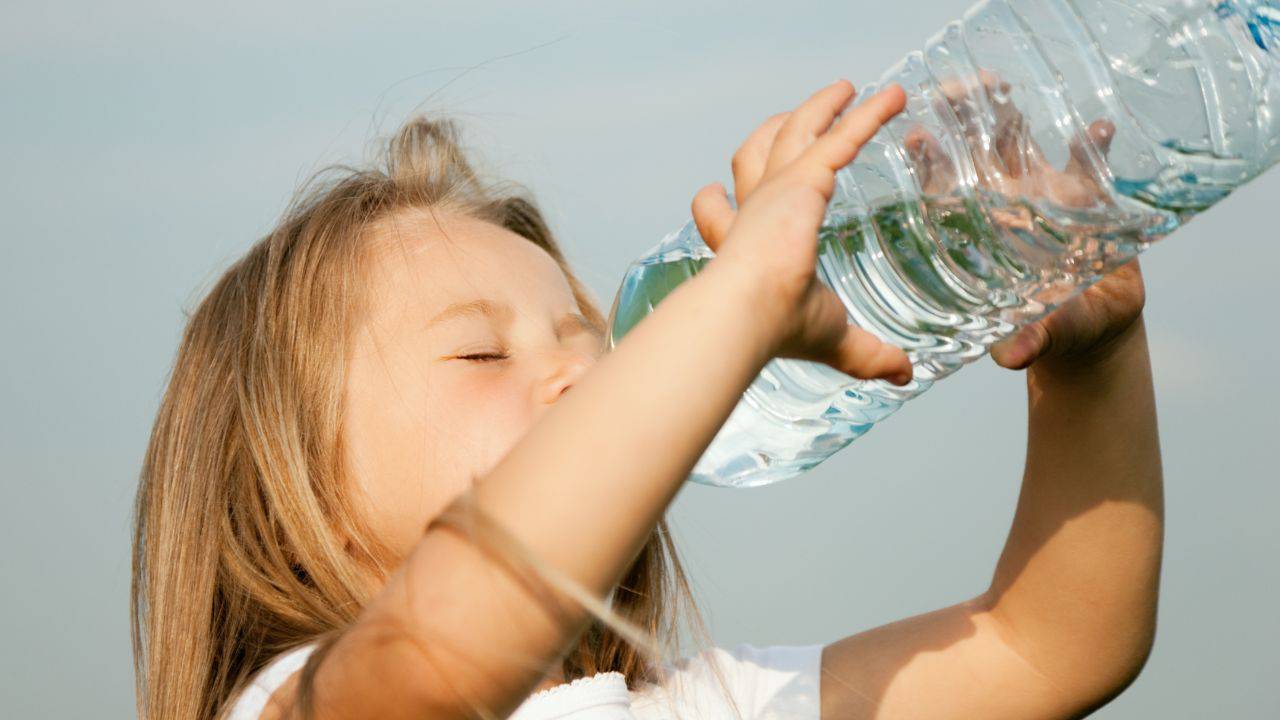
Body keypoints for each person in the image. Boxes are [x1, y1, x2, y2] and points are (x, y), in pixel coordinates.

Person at [131, 78, 1163, 720]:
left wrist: (1090, 361)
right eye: (481, 355)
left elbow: (1046, 649)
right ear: (287, 492)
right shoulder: (298, 706)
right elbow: (432, 664)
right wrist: (745, 294)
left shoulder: (704, 705)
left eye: (590, 340)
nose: (587, 374)